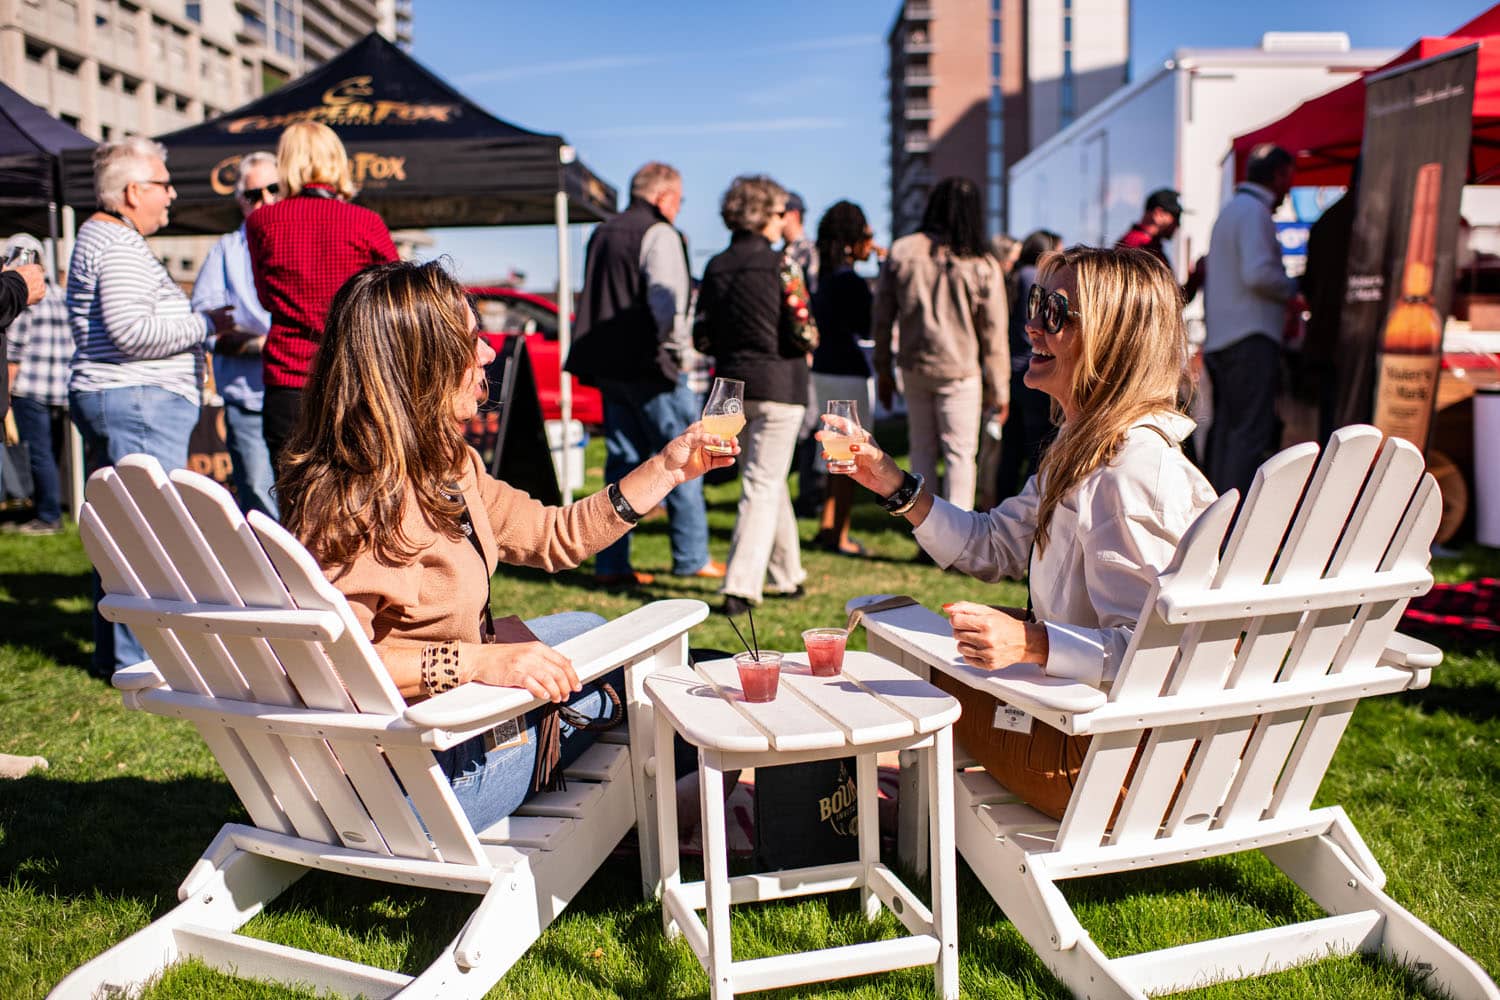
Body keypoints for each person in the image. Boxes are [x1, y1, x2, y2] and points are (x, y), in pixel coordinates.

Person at [277, 260, 737, 832]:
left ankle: (667, 795)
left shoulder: (444, 465)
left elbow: (555, 537)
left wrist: (667, 470)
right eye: (471, 341)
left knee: (594, 631)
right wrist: (479, 662)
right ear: (419, 364)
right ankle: (667, 807)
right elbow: (333, 669)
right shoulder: (367, 500)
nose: (490, 354)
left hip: (444, 728)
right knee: (657, 686)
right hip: (416, 782)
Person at [823, 245, 1216, 817]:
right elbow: (992, 545)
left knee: (902, 667)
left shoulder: (1131, 474)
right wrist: (891, 483)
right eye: (1037, 302)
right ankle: (880, 803)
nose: (1032, 324)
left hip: (1103, 771)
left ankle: (864, 817)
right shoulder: (1085, 451)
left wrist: (1031, 643)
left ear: (1113, 340)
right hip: (1090, 737)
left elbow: (1157, 654)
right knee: (913, 652)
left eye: (1056, 311)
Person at [67, 136, 235, 677]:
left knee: (122, 535)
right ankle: (141, 663)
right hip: (137, 400)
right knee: (146, 538)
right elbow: (131, 331)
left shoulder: (106, 237)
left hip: (123, 397)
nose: (172, 195)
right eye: (164, 185)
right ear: (134, 190)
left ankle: (120, 657)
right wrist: (208, 324)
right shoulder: (116, 244)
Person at [565, 162, 722, 587]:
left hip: (609, 367)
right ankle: (691, 557)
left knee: (622, 465)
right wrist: (677, 353)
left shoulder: (602, 232)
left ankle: (612, 564)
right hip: (651, 366)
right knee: (683, 459)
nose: (679, 208)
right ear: (663, 196)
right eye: (679, 200)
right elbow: (666, 299)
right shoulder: (659, 232)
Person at [246, 121, 397, 470]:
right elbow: (396, 298)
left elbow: (265, 299)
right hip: (355, 378)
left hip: (288, 381)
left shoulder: (262, 222)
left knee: (296, 506)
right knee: (360, 498)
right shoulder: (365, 222)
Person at [694, 175, 808, 615]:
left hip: (730, 388)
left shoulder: (715, 266)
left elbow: (701, 335)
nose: (784, 221)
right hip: (781, 384)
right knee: (762, 481)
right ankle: (741, 587)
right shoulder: (783, 265)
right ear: (765, 215)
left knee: (765, 478)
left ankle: (788, 574)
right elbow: (805, 331)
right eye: (780, 213)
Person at [873, 176, 1009, 511]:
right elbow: (994, 333)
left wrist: (883, 370)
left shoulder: (903, 251)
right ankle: (957, 538)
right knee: (960, 454)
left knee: (921, 450)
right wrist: (1000, 389)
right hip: (961, 370)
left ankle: (924, 531)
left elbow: (881, 318)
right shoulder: (981, 263)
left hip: (915, 367)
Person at [1202, 144, 1301, 497]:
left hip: (1226, 338)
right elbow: (1259, 274)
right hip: (1249, 337)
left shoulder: (1232, 210)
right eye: (1288, 177)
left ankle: (1216, 515)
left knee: (1229, 430)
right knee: (1247, 432)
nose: (1288, 188)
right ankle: (1234, 519)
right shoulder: (1253, 212)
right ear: (1278, 175)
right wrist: (1292, 287)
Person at [190, 151, 281, 518]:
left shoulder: (303, 238)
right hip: (249, 395)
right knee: (259, 494)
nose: (266, 200)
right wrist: (262, 343)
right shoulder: (226, 251)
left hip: (303, 392)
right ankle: (269, 574)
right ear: (240, 201)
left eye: (274, 189)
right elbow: (206, 325)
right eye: (254, 194)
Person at [808, 200, 877, 556]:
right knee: (849, 456)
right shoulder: (851, 281)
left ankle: (828, 525)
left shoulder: (822, 278)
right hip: (849, 371)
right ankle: (841, 534)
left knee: (832, 453)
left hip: (822, 368)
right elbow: (868, 326)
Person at [4, 234, 70, 534]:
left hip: (30, 386)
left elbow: (15, 347)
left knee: (38, 452)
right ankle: (50, 508)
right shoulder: (57, 293)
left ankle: (47, 515)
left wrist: (5, 388)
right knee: (51, 452)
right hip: (59, 385)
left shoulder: (26, 296)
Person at [994, 229, 1061, 505]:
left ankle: (1002, 507)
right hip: (1030, 371)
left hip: (1011, 371)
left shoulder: (1014, 276)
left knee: (1010, 451)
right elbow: (1034, 328)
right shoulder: (1034, 278)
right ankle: (1027, 512)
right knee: (1037, 449)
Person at [1117, 188, 1205, 303]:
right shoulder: (1140, 246)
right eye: (1176, 217)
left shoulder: (1145, 244)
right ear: (1158, 214)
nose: (1178, 224)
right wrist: (1196, 277)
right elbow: (1167, 302)